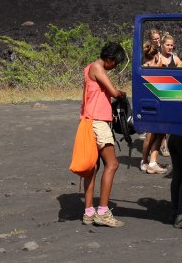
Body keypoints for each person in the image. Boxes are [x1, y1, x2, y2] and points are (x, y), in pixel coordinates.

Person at [81, 42, 127, 227]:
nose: (115, 66)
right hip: (98, 122)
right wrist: (122, 94)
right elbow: (114, 92)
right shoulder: (98, 68)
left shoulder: (89, 67)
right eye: (115, 63)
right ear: (109, 59)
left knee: (93, 168)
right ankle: (103, 212)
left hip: (89, 120)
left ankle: (89, 212)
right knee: (112, 164)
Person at [139, 42, 168, 174]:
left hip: (149, 104)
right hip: (154, 104)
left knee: (153, 135)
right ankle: (150, 162)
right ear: (155, 56)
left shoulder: (142, 67)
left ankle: (147, 161)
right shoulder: (152, 69)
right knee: (155, 135)